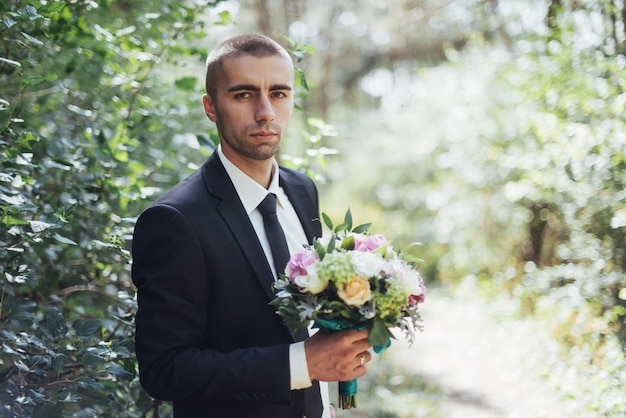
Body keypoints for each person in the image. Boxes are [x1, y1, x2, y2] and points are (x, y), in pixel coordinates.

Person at [131, 33, 373, 418]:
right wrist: (301, 365)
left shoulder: (301, 190)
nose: (265, 112)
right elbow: (164, 370)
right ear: (211, 107)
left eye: (278, 93)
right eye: (244, 95)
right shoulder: (174, 221)